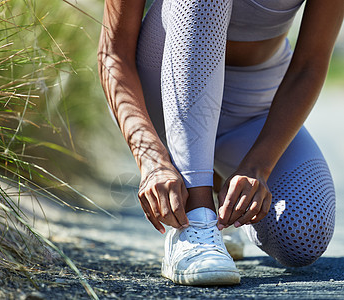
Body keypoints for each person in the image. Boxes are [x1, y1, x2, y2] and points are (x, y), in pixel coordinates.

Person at [98, 0, 343, 286]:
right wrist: (150, 158)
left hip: (253, 100)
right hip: (166, 85)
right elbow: (113, 54)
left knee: (303, 233)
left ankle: (224, 210)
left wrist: (258, 167)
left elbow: (309, 65)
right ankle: (196, 220)